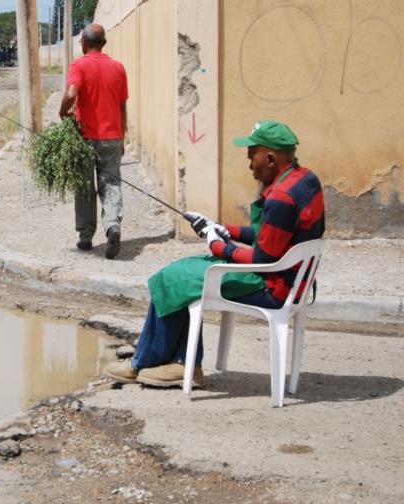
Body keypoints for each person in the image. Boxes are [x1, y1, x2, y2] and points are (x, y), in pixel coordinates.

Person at [103, 120, 325, 386]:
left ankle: (154, 363)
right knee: (183, 271)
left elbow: (263, 259)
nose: (249, 166)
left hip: (271, 286)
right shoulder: (305, 180)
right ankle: (177, 362)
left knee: (174, 277)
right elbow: (271, 236)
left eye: (251, 156)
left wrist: (217, 245)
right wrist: (222, 229)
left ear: (269, 158)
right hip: (290, 280)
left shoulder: (280, 198)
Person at [58, 23, 128, 259]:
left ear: (84, 44)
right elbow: (121, 106)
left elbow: (71, 93)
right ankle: (112, 227)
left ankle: (86, 237)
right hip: (112, 138)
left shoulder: (79, 65)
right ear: (103, 43)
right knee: (111, 184)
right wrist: (123, 138)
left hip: (84, 137)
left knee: (84, 186)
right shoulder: (118, 68)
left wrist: (63, 112)